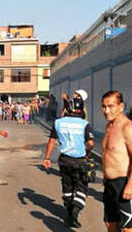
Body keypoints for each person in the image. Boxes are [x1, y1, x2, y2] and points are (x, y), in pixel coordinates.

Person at [43, 95, 95, 228]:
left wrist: (47, 158)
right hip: (80, 160)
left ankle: (68, 210)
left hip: (64, 160)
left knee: (67, 186)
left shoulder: (58, 122)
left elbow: (51, 141)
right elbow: (90, 143)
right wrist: (87, 152)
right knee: (81, 187)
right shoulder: (85, 124)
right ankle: (74, 212)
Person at [101, 91, 132, 231]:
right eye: (104, 106)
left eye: (110, 106)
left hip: (124, 182)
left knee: (128, 227)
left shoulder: (128, 127)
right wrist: (105, 177)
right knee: (110, 224)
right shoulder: (109, 126)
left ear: (121, 106)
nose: (106, 111)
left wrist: (131, 184)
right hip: (109, 184)